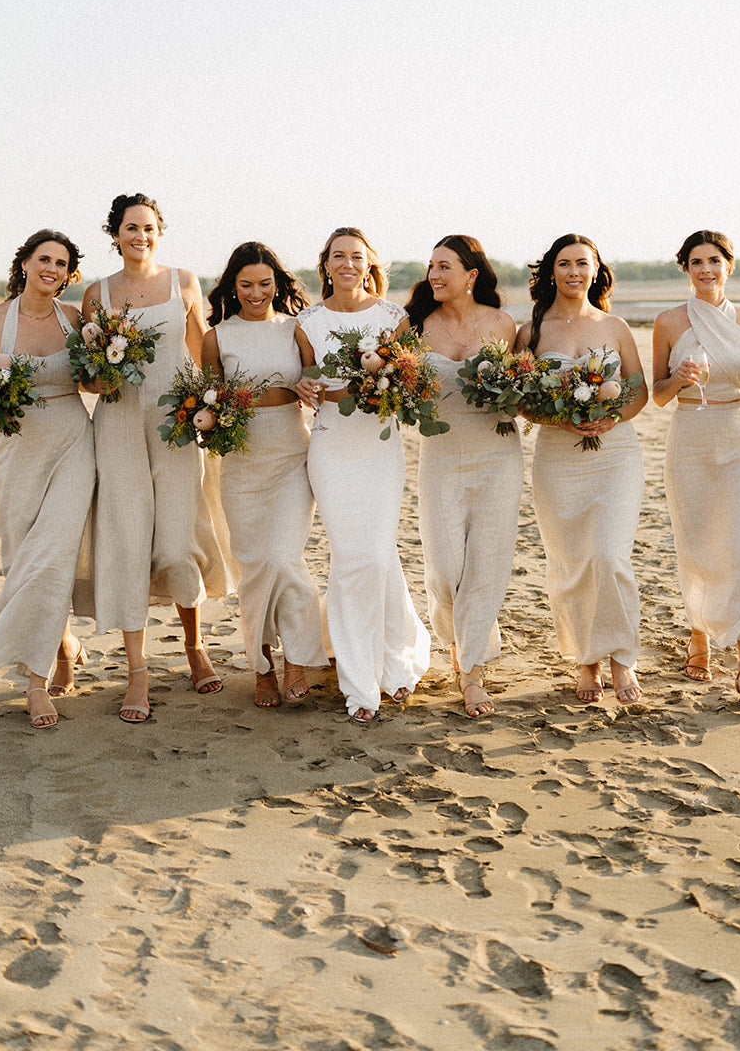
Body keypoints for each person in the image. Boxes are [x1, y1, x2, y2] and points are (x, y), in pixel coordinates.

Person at [82, 192, 234, 722]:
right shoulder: (96, 293)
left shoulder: (183, 282)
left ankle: (195, 647)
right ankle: (137, 673)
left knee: (176, 543)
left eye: (148, 228)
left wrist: (216, 409)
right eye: (130, 228)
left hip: (175, 423)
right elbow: (89, 376)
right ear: (115, 234)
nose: (139, 236)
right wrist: (104, 368)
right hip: (118, 424)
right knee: (126, 541)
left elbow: (203, 355)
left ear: (158, 232)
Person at [296, 227, 430, 723]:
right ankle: (361, 681)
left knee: (376, 553)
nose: (347, 264)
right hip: (330, 443)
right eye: (338, 256)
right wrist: (303, 384)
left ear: (369, 263)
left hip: (378, 444)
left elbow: (408, 377)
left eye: (357, 256)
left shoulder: (393, 317)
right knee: (354, 556)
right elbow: (303, 378)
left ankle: (396, 659)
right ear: (326, 263)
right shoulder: (306, 322)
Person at [0, 231, 95, 729]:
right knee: (22, 555)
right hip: (19, 450)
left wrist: (111, 364)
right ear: (24, 263)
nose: (52, 269)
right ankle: (63, 645)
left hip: (72, 441)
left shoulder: (76, 321)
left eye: (61, 264)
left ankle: (36, 682)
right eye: (44, 259)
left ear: (69, 273)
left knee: (53, 554)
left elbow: (90, 382)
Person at [515, 234, 648, 704]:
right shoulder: (530, 331)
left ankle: (622, 659)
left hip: (615, 455)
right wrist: (558, 417)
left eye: (582, 264)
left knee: (609, 556)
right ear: (551, 271)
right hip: (556, 457)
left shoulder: (614, 325)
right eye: (565, 264)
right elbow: (520, 401)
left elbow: (638, 391)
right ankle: (586, 661)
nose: (574, 272)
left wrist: (610, 417)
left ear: (596, 270)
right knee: (571, 563)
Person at [201, 241, 326, 709]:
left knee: (284, 557)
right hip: (242, 465)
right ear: (233, 287)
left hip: (292, 456)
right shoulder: (217, 337)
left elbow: (319, 382)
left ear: (278, 283)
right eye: (246, 285)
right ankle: (263, 666)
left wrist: (306, 384)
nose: (256, 293)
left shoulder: (297, 329)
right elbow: (206, 402)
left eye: (265, 284)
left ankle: (297, 657)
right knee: (255, 567)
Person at [405, 235, 522, 718]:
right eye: (431, 266)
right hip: (442, 457)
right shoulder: (413, 327)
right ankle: (462, 640)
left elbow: (519, 392)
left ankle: (470, 669)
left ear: (472, 275)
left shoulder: (503, 324)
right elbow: (391, 387)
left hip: (497, 455)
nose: (434, 275)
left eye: (445, 266)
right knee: (446, 568)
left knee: (487, 563)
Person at [652, 231, 740, 717]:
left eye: (714, 261)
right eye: (696, 262)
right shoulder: (668, 321)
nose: (706, 269)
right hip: (691, 438)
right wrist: (678, 379)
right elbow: (657, 394)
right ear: (686, 268)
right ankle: (699, 633)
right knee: (697, 544)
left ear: (730, 266)